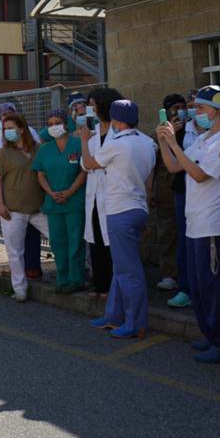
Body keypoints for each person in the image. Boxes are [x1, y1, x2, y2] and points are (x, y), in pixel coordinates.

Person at [156, 86, 220, 363]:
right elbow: (174, 167)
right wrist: (165, 142)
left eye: (201, 108)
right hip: (196, 223)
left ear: (217, 110)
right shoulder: (204, 137)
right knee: (201, 286)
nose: (195, 112)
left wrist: (176, 145)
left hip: (214, 224)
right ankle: (210, 335)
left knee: (216, 288)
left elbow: (200, 174)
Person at [82, 98, 157, 339]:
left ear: (115, 120)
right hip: (138, 208)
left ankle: (135, 322)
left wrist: (84, 141)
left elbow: (89, 164)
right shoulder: (147, 142)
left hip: (119, 210)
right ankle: (113, 315)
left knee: (129, 271)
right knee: (122, 267)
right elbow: (149, 181)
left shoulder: (116, 143)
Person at [0, 112, 44, 301]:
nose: (7, 132)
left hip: (40, 209)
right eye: (5, 129)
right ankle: (19, 289)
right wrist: (0, 204)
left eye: (11, 128)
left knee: (60, 240)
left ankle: (67, 278)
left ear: (22, 129)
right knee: (15, 252)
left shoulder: (39, 149)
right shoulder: (4, 153)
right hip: (12, 210)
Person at [34, 110, 86, 294]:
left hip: (74, 202)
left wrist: (70, 192)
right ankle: (62, 278)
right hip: (53, 203)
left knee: (75, 242)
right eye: (50, 123)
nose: (54, 126)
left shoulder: (78, 144)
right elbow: (40, 175)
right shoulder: (45, 150)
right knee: (57, 243)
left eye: (57, 122)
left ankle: (76, 279)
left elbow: (84, 171)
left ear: (66, 124)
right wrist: (52, 192)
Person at [80, 88, 123, 300]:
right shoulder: (93, 131)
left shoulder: (120, 131)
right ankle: (99, 285)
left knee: (111, 244)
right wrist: (86, 145)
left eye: (93, 105)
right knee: (96, 240)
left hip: (114, 195)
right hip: (95, 196)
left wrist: (92, 160)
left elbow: (99, 163)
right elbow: (85, 164)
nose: (91, 110)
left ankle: (112, 289)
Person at [147, 93, 190, 301]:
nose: (180, 111)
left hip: (186, 191)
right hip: (165, 192)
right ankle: (168, 273)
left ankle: (186, 276)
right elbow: (153, 163)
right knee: (166, 235)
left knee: (186, 237)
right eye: (175, 108)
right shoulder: (160, 133)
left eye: (183, 107)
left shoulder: (192, 130)